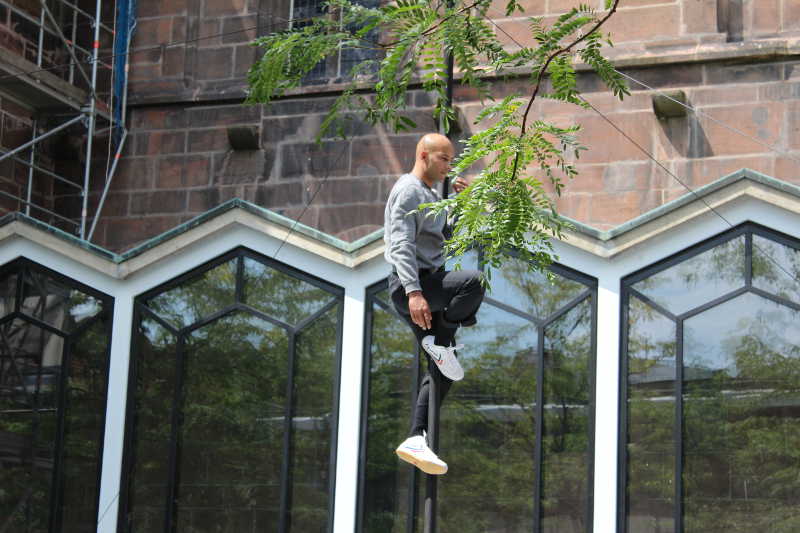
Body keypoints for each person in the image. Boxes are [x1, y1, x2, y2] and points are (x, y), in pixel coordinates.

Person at [384, 132, 485, 475]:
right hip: (414, 286)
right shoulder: (409, 189)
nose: (449, 166)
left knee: (445, 371)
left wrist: (463, 204)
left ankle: (416, 437)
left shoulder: (429, 195)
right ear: (424, 155)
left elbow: (445, 241)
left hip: (428, 284)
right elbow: (401, 244)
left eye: (450, 159)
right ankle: (442, 341)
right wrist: (414, 292)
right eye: (444, 158)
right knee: (473, 281)